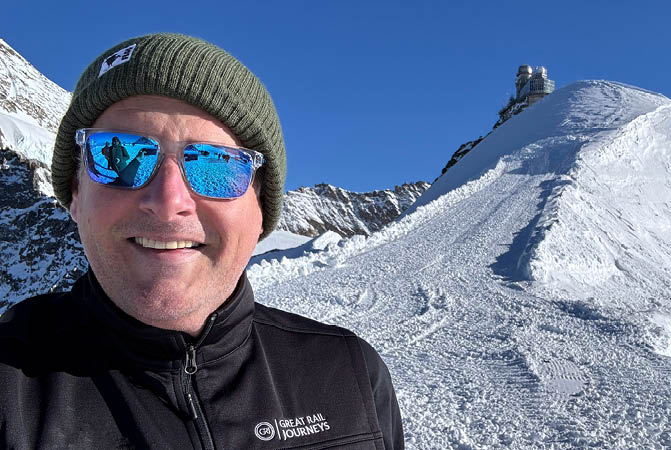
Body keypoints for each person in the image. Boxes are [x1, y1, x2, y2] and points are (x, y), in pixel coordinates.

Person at [0, 33, 403, 449]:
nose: (168, 202)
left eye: (216, 165)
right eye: (119, 157)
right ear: (75, 193)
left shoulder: (351, 377)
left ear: (260, 208)